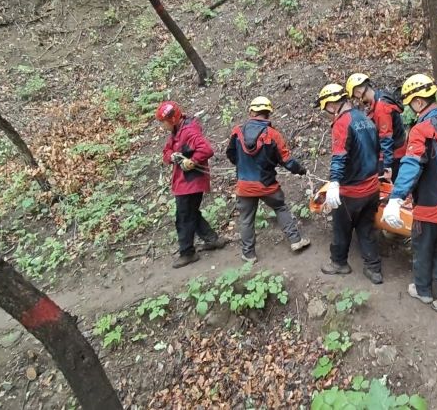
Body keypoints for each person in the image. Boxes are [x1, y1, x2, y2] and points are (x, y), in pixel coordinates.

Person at [381, 74, 437, 312]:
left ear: (419, 102)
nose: (411, 107)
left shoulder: (422, 129)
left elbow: (411, 164)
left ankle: (422, 291)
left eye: (410, 102)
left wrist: (396, 197)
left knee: (421, 246)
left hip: (433, 204)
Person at [226, 96, 311, 262]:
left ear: (251, 111)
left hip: (244, 185)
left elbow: (230, 154)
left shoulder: (237, 132)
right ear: (268, 113)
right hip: (267, 185)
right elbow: (286, 160)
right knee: (280, 207)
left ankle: (249, 254)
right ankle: (296, 241)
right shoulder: (273, 135)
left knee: (246, 219)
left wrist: (241, 165)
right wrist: (301, 170)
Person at [316, 83, 383, 285]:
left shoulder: (342, 123)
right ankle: (374, 269)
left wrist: (334, 182)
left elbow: (339, 156)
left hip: (351, 190)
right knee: (366, 228)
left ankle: (338, 263)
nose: (327, 113)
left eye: (326, 108)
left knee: (341, 228)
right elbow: (378, 149)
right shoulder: (365, 118)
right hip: (372, 188)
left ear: (332, 105)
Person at [157, 101, 226, 269]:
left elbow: (207, 149)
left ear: (172, 119)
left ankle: (187, 252)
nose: (161, 125)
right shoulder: (176, 131)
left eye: (162, 121)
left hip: (191, 181)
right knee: (191, 213)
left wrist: (193, 161)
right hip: (183, 182)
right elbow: (166, 152)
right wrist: (172, 156)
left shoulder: (189, 131)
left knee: (184, 217)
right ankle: (213, 239)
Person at [345, 73, 407, 181]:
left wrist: (387, 166)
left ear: (359, 92)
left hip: (394, 154)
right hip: (395, 149)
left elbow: (386, 138)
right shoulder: (380, 97)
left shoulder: (381, 108)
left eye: (355, 96)